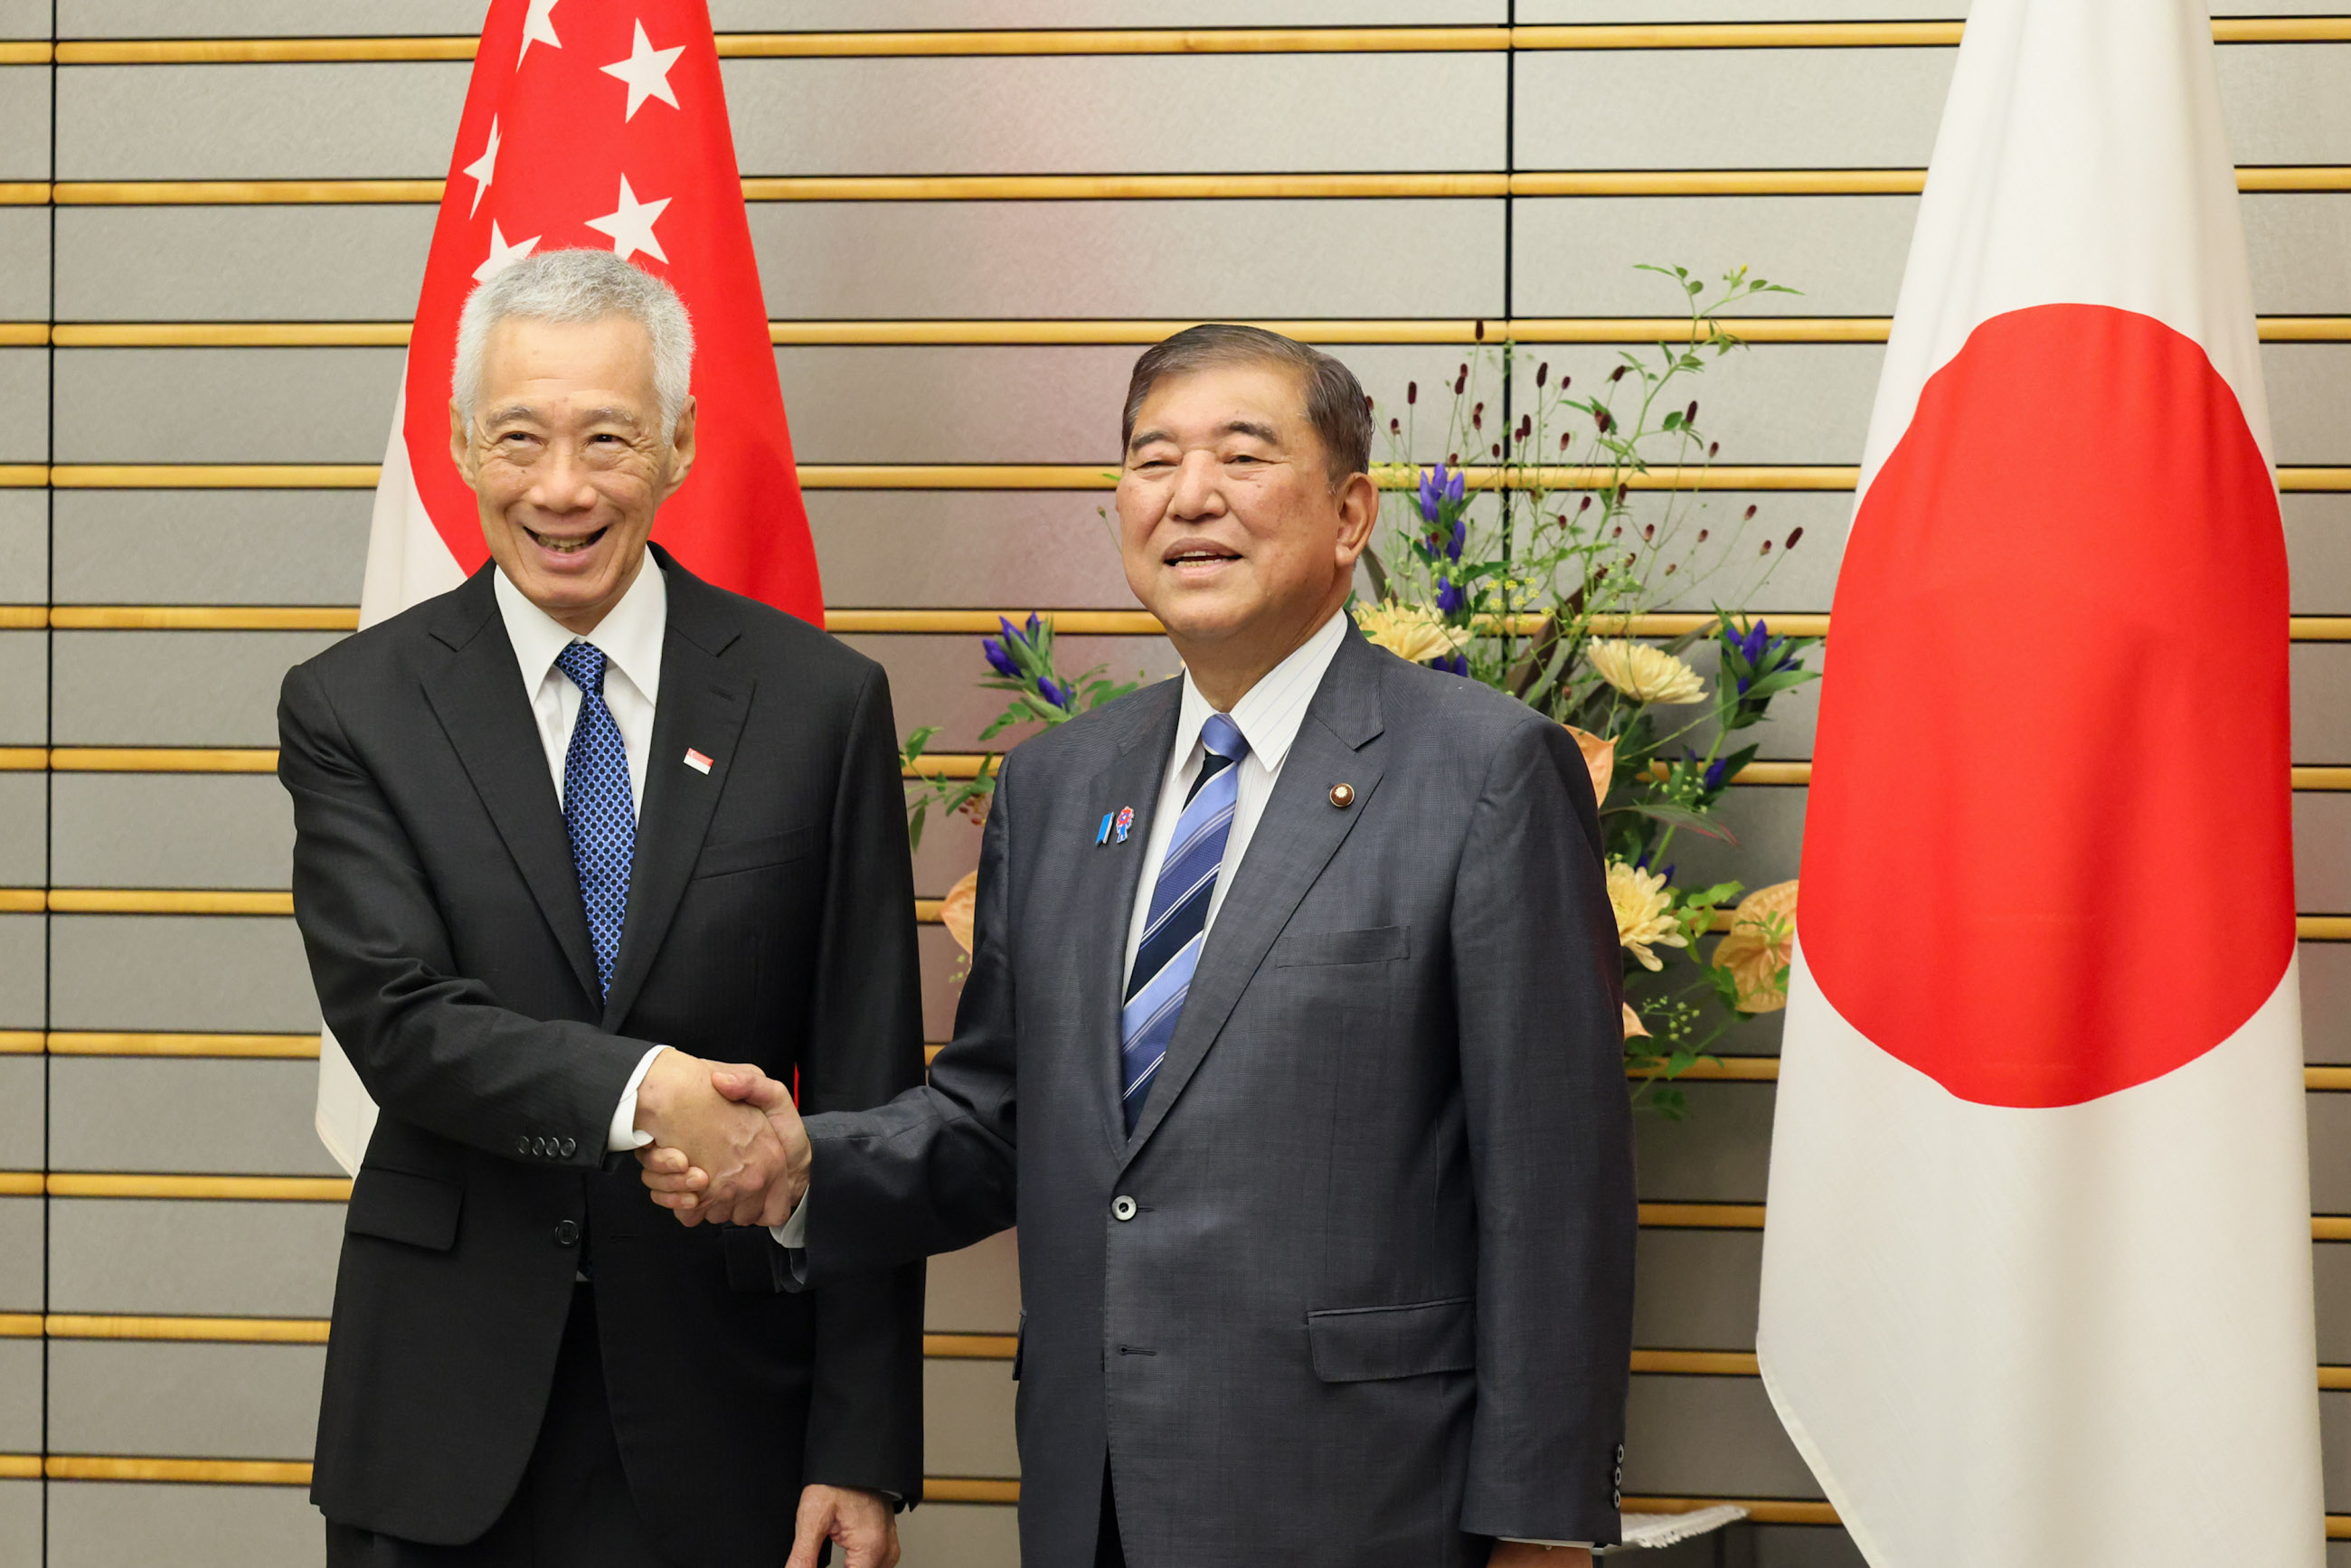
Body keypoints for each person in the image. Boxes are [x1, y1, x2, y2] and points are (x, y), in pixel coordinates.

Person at [643, 325, 1638, 1566]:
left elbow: (1557, 1191)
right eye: (1152, 458)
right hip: (1097, 1495)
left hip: (1372, 1503)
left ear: (1351, 513)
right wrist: (798, 1166)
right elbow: (999, 1115)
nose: (1191, 494)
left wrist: (1541, 1528)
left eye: (1241, 453)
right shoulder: (1062, 786)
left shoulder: (1484, 773)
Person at [279, 249, 921, 1568]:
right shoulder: (354, 706)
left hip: (727, 1410)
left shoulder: (819, 705)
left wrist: (861, 1446)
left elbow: (869, 1087)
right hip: (439, 1417)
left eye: (608, 438)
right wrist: (650, 1092)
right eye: (519, 437)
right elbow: (396, 1019)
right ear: (462, 443)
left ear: (679, 443)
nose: (560, 487)